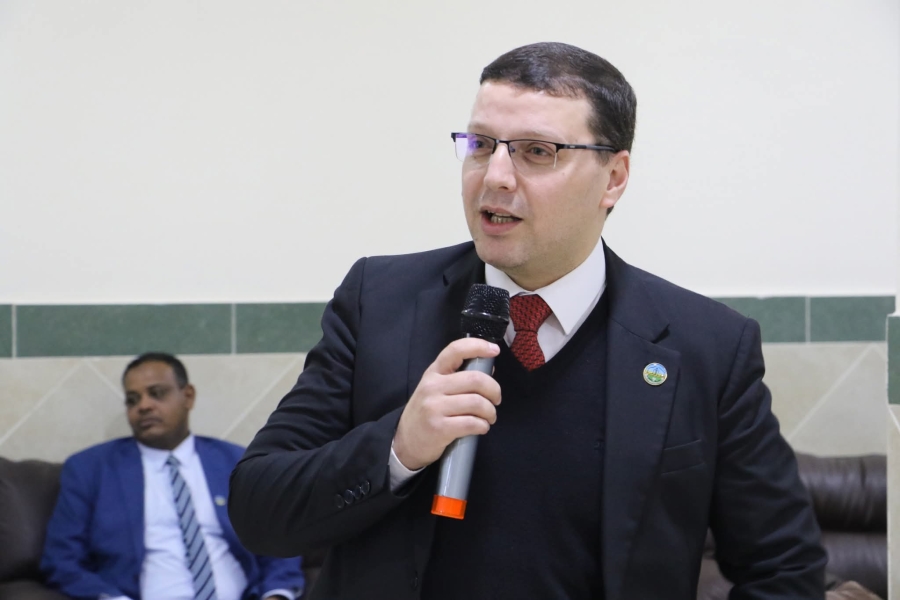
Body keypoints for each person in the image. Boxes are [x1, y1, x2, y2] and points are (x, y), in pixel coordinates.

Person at [228, 42, 826, 599]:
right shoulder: (379, 300)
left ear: (614, 178)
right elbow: (259, 510)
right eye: (480, 144)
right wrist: (398, 447)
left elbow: (784, 569)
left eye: (537, 152)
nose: (494, 176)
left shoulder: (707, 346)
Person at [40, 352, 305, 600]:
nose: (144, 406)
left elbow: (279, 544)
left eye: (157, 393)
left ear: (188, 396)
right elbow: (61, 559)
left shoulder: (236, 462)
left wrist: (275, 595)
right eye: (132, 399)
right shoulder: (91, 469)